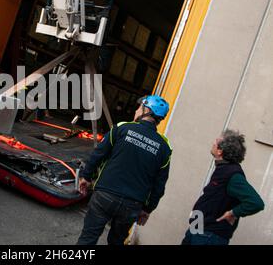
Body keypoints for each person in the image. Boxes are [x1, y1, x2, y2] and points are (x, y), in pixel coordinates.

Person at [77, 95, 172, 245]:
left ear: (146, 110)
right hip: (132, 205)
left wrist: (86, 177)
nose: (136, 110)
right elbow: (159, 185)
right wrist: (147, 209)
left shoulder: (122, 128)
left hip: (105, 195)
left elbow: (98, 154)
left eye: (139, 107)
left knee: (88, 238)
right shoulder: (164, 148)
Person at [182, 130, 264, 245]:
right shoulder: (223, 168)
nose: (213, 143)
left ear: (220, 151)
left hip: (209, 236)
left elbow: (256, 202)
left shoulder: (233, 175)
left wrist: (233, 213)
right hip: (197, 229)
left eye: (216, 141)